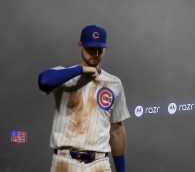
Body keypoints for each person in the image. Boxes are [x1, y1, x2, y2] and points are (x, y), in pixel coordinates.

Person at [38, 25, 129, 171]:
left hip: (99, 163)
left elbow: (117, 130)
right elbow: (44, 81)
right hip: (65, 160)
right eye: (90, 48)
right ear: (80, 45)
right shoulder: (64, 75)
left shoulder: (114, 83)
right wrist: (80, 69)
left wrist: (122, 170)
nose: (95, 53)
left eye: (99, 49)